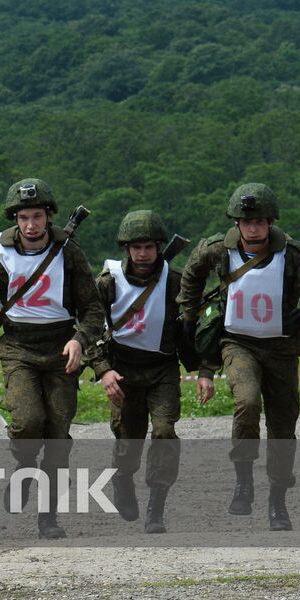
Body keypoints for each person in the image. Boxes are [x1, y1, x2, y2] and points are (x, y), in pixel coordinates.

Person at [178, 183, 300, 531]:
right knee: (246, 403)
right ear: (236, 223)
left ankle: (277, 500)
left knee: (282, 425)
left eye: (260, 221)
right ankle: (243, 480)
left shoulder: (293, 254)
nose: (253, 228)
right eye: (246, 221)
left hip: (281, 349)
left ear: (270, 222)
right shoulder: (219, 249)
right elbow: (191, 273)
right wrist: (190, 315)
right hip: (238, 343)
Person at [0, 178, 104, 539]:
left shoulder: (70, 252)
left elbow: (92, 308)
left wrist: (79, 339)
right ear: (15, 218)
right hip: (19, 348)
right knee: (27, 422)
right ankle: (24, 465)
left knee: (57, 434)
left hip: (62, 349)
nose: (31, 225)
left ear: (49, 216)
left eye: (37, 216)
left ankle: (48, 516)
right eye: (23, 217)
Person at [85, 210, 213, 534]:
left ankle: (156, 509)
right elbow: (85, 328)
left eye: (149, 247)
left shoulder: (175, 281)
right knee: (128, 440)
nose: (143, 254)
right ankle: (123, 478)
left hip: (162, 369)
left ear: (159, 247)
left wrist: (204, 369)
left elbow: (194, 330)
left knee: (165, 432)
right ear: (126, 248)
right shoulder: (107, 282)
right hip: (122, 368)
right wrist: (103, 371)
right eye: (136, 247)